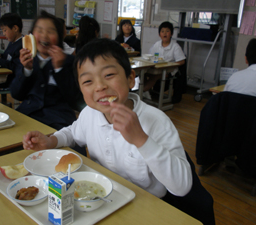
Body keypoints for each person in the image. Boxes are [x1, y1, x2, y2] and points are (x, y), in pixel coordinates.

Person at [21, 39, 215, 224]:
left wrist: (141, 140)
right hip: (104, 202)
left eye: (109, 75)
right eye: (88, 81)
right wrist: (51, 141)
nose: (100, 86)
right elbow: (73, 133)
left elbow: (182, 187)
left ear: (131, 79)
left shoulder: (157, 122)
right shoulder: (90, 114)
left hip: (147, 207)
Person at [11, 11, 83, 140]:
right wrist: (27, 69)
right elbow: (16, 94)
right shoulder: (25, 59)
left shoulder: (70, 61)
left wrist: (59, 69)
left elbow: (74, 99)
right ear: (31, 35)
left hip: (59, 119)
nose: (45, 35)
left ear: (60, 37)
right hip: (28, 115)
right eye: (39, 30)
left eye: (50, 31)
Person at [144, 21, 186, 102]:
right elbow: (151, 56)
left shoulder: (175, 46)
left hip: (168, 71)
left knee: (155, 76)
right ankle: (146, 91)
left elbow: (182, 61)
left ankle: (143, 90)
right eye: (162, 31)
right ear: (159, 34)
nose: (165, 33)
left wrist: (170, 64)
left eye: (167, 31)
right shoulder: (157, 44)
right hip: (156, 68)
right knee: (144, 73)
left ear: (171, 34)